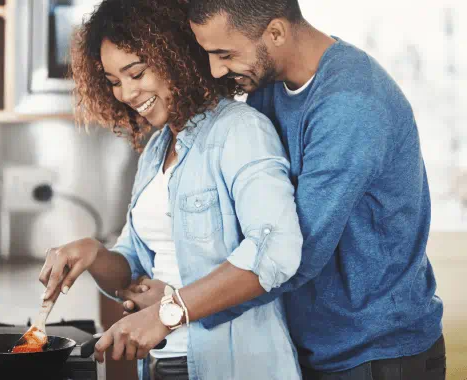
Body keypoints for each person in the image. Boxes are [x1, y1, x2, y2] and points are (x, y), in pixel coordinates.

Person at [144, 1, 444, 379]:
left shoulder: (351, 104)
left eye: (225, 54)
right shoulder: (267, 89)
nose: (216, 69)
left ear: (276, 32)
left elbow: (292, 252)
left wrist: (180, 306)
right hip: (314, 346)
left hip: (376, 354)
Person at [38, 0, 304, 379]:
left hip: (231, 366)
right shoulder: (157, 148)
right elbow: (132, 270)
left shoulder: (240, 131)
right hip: (163, 364)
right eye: (114, 81)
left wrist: (169, 311)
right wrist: (93, 254)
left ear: (175, 54)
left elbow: (276, 249)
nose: (127, 93)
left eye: (136, 73)